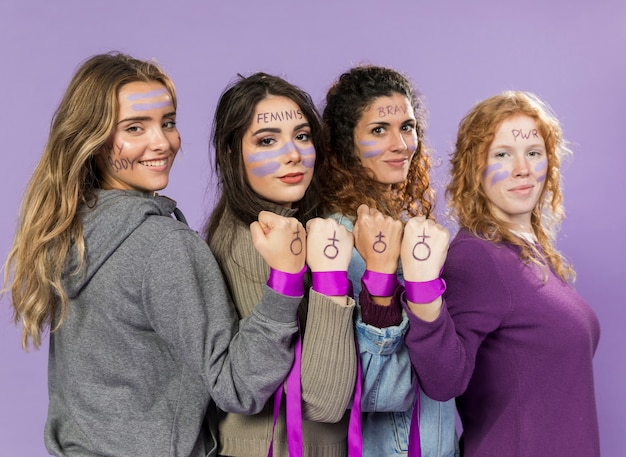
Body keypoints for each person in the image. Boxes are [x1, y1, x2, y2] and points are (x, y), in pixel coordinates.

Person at [2, 53, 307, 457]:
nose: (161, 142)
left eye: (168, 122)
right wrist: (285, 279)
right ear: (92, 140)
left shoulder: (70, 227)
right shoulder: (164, 246)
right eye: (134, 127)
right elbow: (238, 387)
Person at [401, 91, 601, 456]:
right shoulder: (477, 256)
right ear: (474, 168)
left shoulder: (529, 253)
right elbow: (443, 379)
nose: (521, 168)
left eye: (533, 153)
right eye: (502, 154)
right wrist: (421, 291)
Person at [203, 72, 358, 457]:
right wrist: (329, 277)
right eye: (268, 140)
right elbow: (323, 400)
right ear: (231, 153)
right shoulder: (252, 244)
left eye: (302, 136)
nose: (293, 154)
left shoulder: (290, 227)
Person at [319, 65, 458, 457]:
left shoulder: (407, 226)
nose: (401, 144)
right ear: (347, 143)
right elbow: (368, 390)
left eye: (408, 127)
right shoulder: (339, 238)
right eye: (379, 129)